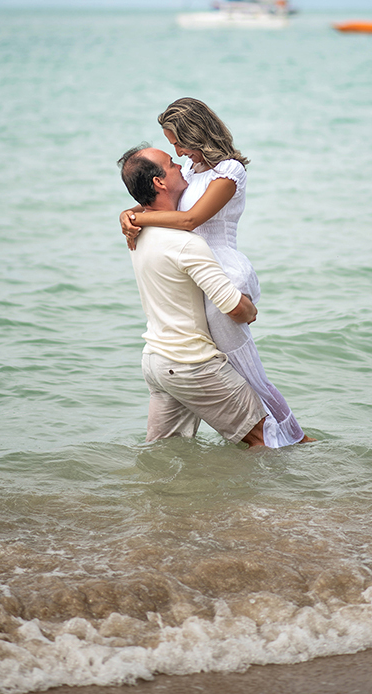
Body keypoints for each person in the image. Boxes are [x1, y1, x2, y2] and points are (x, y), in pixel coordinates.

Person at [120, 98, 311, 446]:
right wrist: (128, 213)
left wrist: (140, 218)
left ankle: (294, 439)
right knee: (235, 370)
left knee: (245, 369)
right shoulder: (190, 173)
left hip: (223, 269)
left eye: (178, 142)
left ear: (196, 134)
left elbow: (190, 219)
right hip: (198, 268)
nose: (176, 152)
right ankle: (285, 442)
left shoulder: (229, 171)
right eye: (171, 146)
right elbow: (159, 197)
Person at [118, 145, 268, 447]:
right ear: (159, 182)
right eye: (172, 163)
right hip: (191, 365)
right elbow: (236, 309)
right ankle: (267, 496)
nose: (181, 165)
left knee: (162, 453)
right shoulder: (187, 243)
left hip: (156, 362)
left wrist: (127, 213)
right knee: (267, 438)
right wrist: (252, 311)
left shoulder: (137, 233)